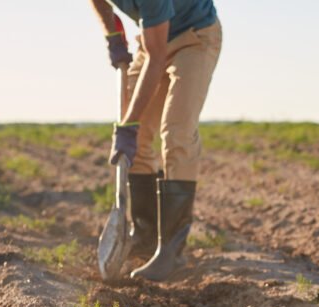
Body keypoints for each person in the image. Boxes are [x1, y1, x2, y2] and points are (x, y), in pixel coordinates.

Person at [90, 0, 222, 281]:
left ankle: (171, 251)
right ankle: (145, 235)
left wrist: (129, 125)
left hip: (194, 37)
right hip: (151, 39)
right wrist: (112, 35)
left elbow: (156, 57)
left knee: (177, 133)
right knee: (136, 137)